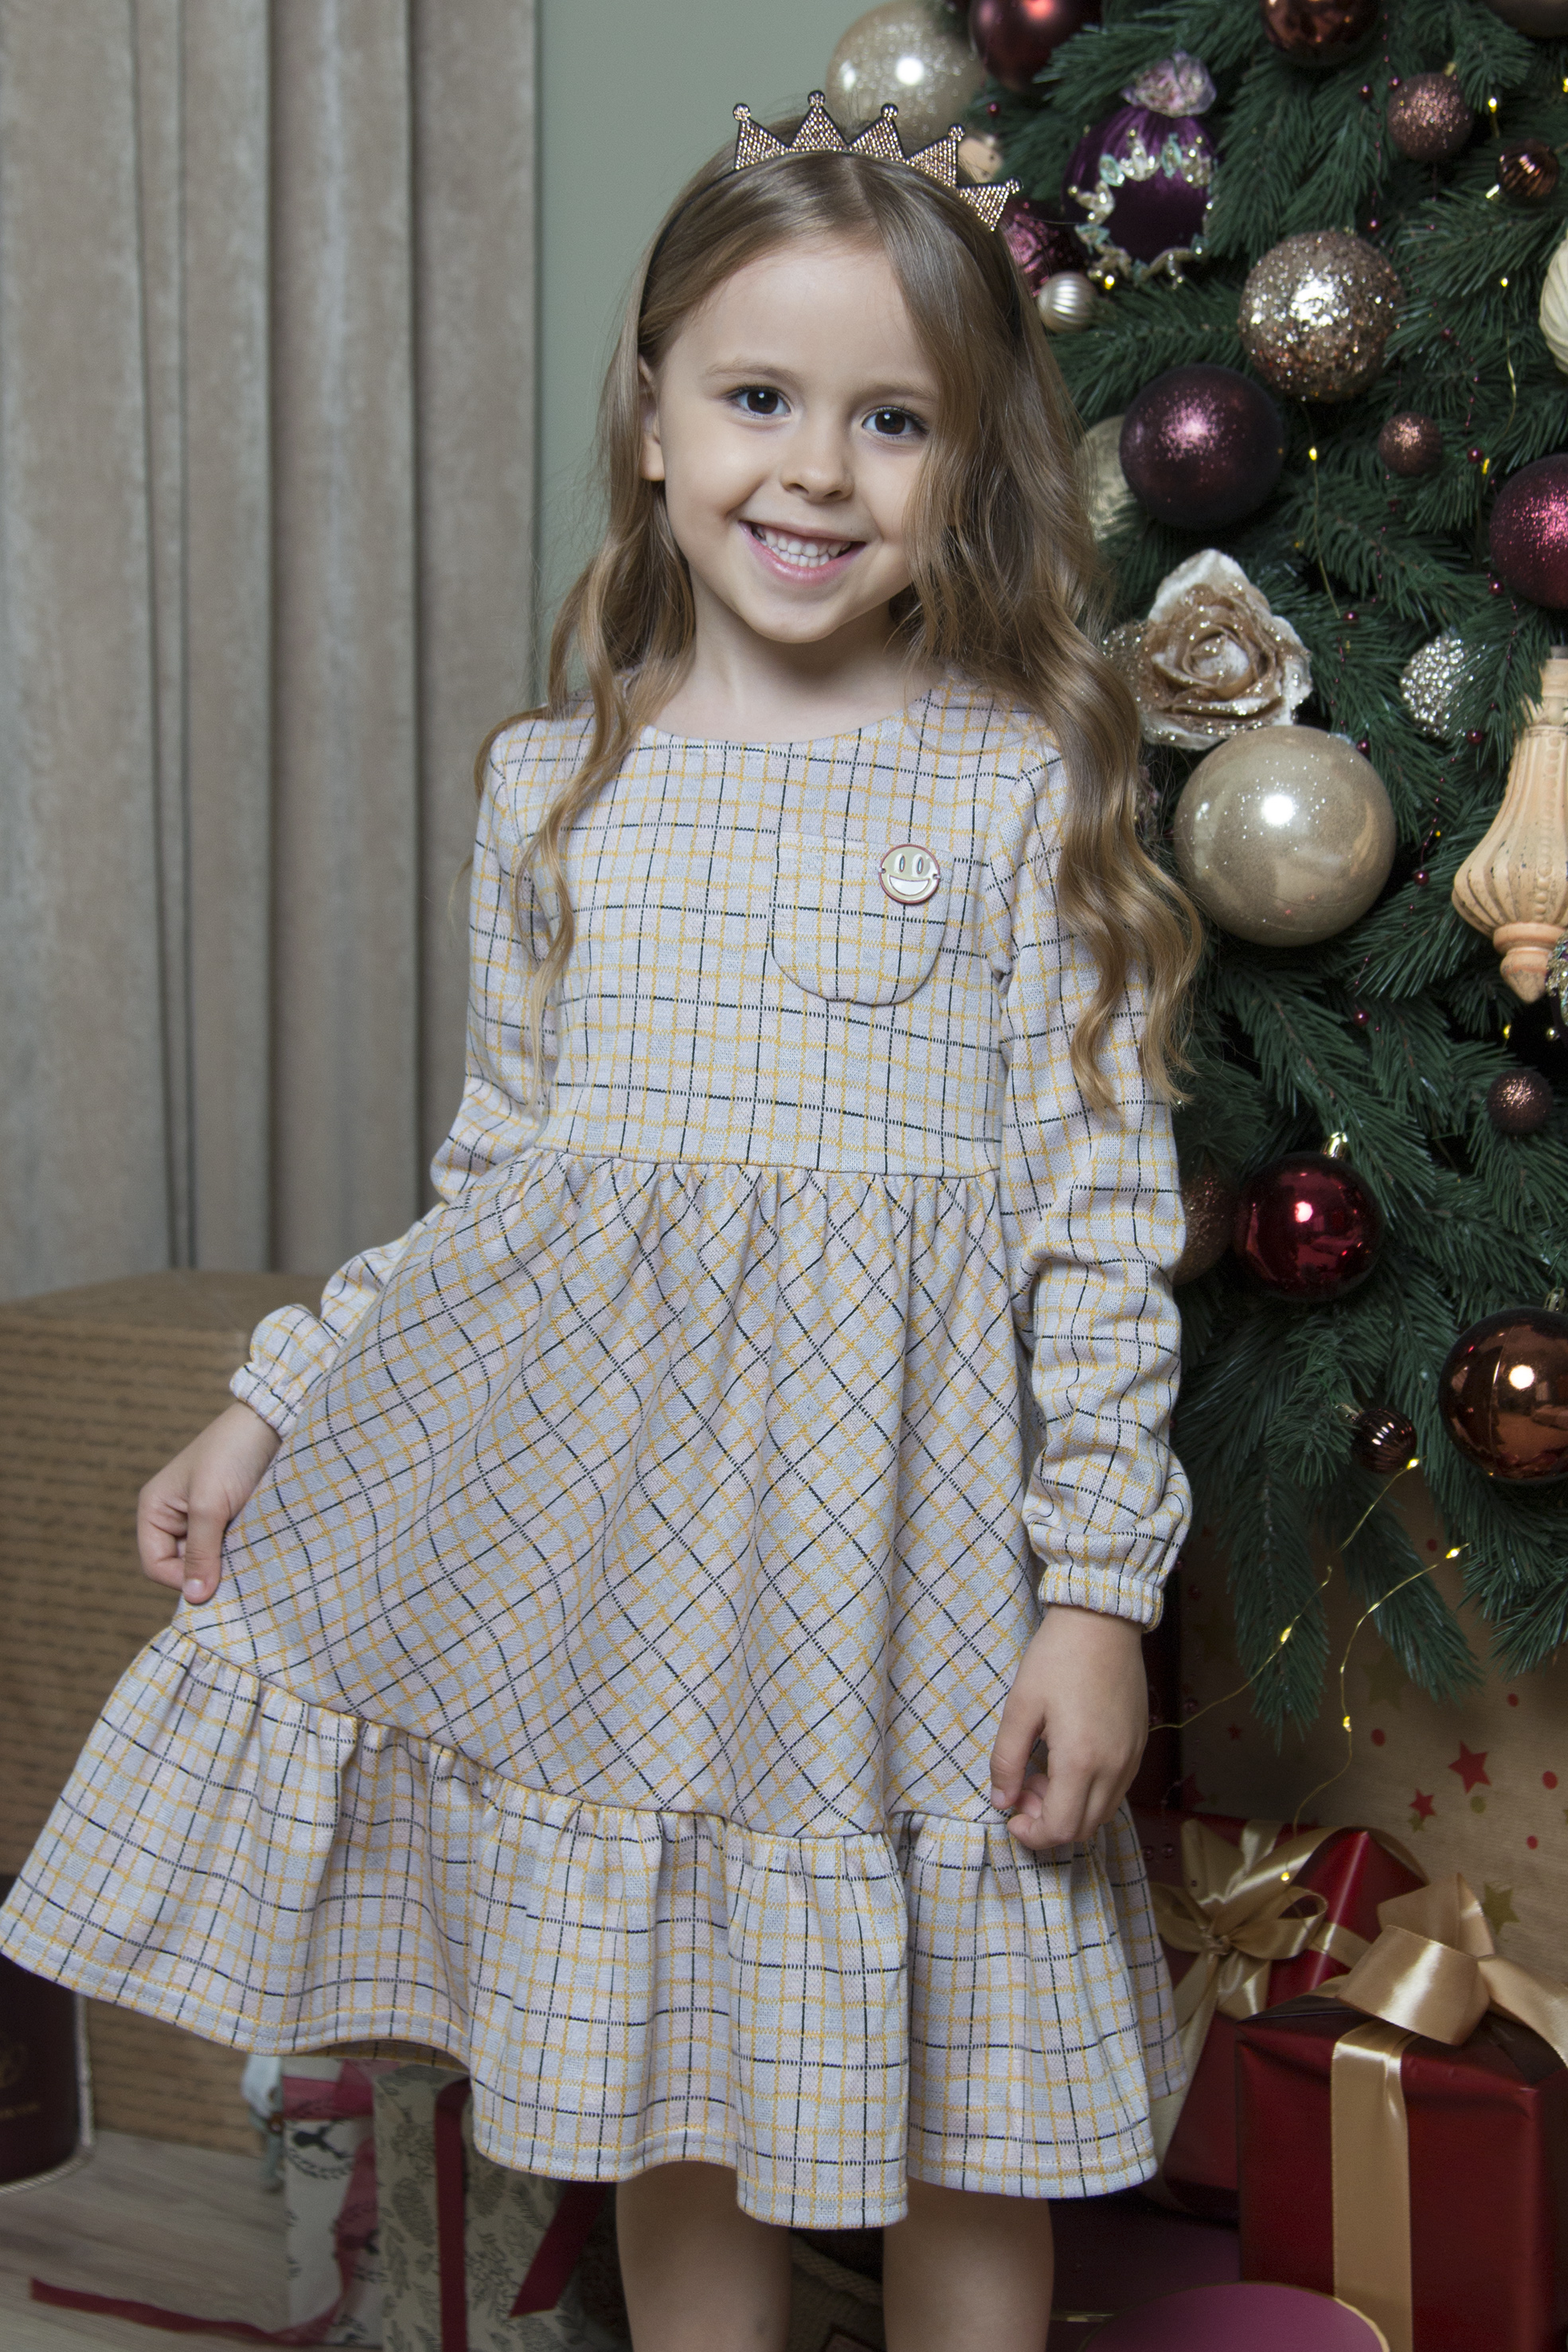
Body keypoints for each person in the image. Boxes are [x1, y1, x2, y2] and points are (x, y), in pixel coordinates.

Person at [1, 95, 1200, 2352]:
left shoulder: (1015, 783)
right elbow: (496, 1186)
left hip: (902, 1573)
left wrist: (1095, 1598)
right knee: (672, 2092)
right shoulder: (557, 785)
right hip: (628, 1568)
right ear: (652, 419)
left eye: (890, 421)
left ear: (968, 463)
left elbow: (1101, 1228)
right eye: (758, 400)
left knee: (967, 2118)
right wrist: (273, 1410)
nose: (814, 473)